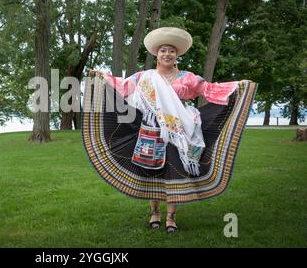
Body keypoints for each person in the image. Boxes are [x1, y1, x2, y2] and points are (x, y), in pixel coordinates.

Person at [83, 27, 257, 233]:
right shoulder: (143, 77)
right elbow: (121, 86)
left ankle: (171, 217)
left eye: (171, 51)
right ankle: (155, 213)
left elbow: (210, 89)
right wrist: (100, 77)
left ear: (177, 55)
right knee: (153, 170)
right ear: (157, 54)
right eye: (163, 50)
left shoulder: (188, 78)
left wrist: (238, 86)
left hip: (179, 131)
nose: (167, 54)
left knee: (174, 171)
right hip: (151, 129)